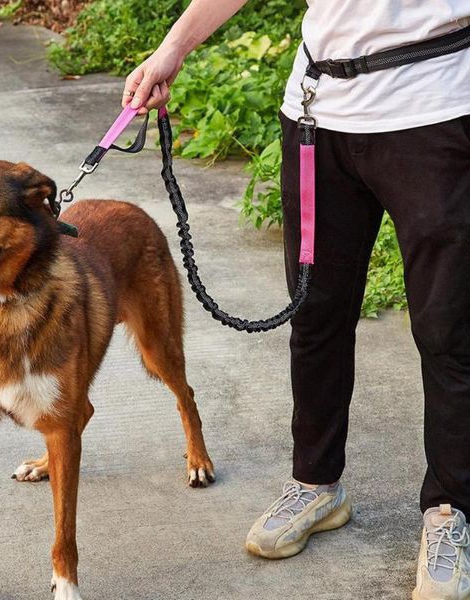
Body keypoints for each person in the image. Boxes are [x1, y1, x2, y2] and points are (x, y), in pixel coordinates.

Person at [122, 1, 470, 598]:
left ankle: (451, 510)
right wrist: (173, 48)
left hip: (435, 107)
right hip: (318, 115)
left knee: (448, 329)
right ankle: (317, 484)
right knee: (315, 313)